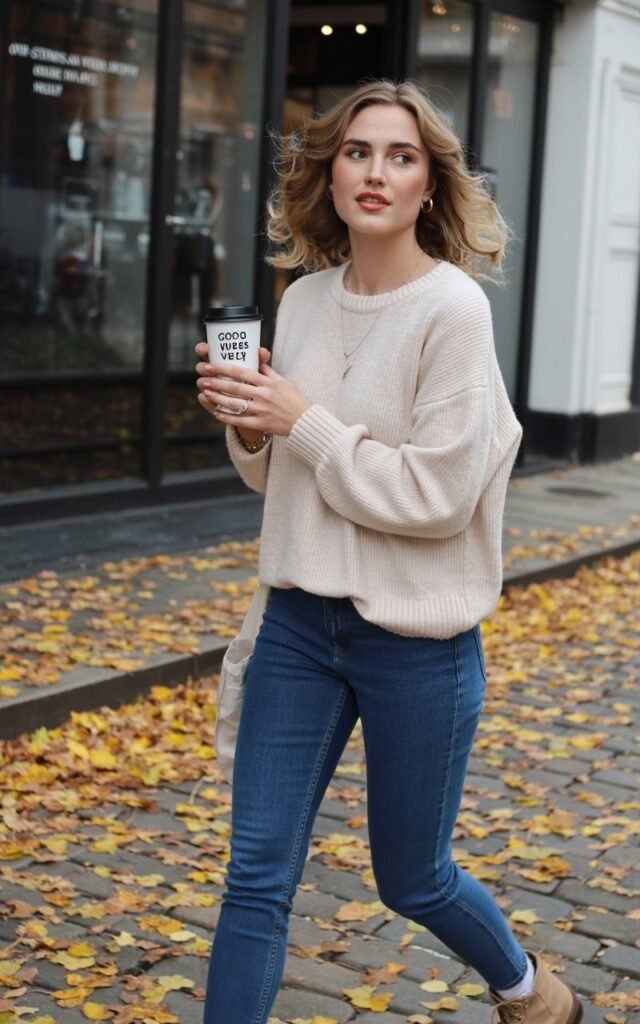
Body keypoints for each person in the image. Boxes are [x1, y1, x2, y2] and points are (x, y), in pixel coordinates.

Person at [194, 79, 583, 1024]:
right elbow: (277, 480)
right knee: (255, 878)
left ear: (427, 186)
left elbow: (440, 499)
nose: (376, 171)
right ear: (331, 177)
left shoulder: (453, 312)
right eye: (358, 152)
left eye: (400, 156)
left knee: (412, 878)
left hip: (415, 640)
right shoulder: (303, 302)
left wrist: (305, 421)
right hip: (294, 624)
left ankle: (531, 993)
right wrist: (249, 426)